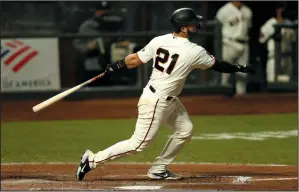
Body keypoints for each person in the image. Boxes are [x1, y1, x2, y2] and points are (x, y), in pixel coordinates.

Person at [76, 8, 254, 181]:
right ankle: (92, 160)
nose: (196, 25)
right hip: (156, 101)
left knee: (185, 130)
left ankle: (159, 169)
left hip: (166, 99)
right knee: (138, 144)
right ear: (183, 27)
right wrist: (239, 68)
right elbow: (219, 65)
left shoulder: (159, 40)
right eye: (192, 23)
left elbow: (134, 60)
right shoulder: (194, 50)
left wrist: (115, 66)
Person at [216, 1, 252, 95]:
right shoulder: (223, 11)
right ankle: (222, 98)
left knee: (243, 73)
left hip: (244, 43)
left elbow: (248, 28)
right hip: (229, 42)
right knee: (225, 73)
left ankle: (241, 97)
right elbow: (217, 27)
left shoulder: (247, 11)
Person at [259, 2, 295, 83]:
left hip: (287, 58)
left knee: (287, 87)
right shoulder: (270, 23)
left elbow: (293, 42)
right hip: (273, 58)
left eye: (283, 8)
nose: (281, 10)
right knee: (272, 85)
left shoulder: (289, 24)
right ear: (276, 10)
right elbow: (261, 40)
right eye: (280, 8)